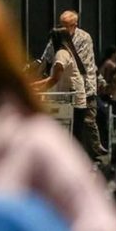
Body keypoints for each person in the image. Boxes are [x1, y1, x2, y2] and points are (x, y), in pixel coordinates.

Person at [0, 0, 116, 231]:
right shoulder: (54, 43)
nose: (65, 29)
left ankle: (97, 150)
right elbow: (46, 63)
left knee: (87, 127)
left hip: (78, 94)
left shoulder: (35, 141)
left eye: (68, 24)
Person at [40, 10, 106, 158]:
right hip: (65, 88)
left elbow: (81, 64)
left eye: (67, 25)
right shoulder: (57, 39)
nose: (62, 28)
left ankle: (94, 152)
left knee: (88, 121)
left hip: (84, 84)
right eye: (60, 25)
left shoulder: (83, 38)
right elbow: (46, 58)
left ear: (74, 25)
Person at [32, 28, 88, 147]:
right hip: (76, 100)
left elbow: (54, 79)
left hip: (74, 102)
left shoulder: (61, 54)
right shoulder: (67, 52)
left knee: (73, 139)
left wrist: (36, 88)